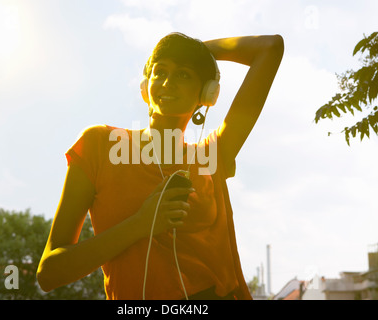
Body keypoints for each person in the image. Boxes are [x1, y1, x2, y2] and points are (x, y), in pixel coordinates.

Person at [36, 32, 284, 300]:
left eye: (184, 74)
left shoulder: (212, 155)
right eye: (160, 71)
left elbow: (270, 48)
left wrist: (198, 50)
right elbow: (50, 273)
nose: (168, 82)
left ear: (206, 93)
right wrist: (140, 224)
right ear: (146, 85)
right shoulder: (98, 145)